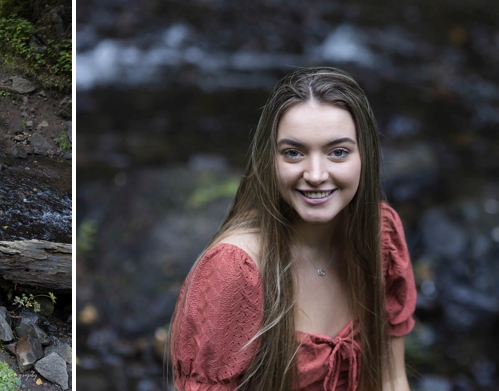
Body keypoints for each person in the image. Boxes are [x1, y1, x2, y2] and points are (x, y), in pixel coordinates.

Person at [170, 67, 415, 391]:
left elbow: (392, 379)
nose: (315, 174)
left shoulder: (379, 235)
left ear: (365, 156)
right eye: (294, 152)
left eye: (337, 152)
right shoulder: (236, 271)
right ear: (270, 159)